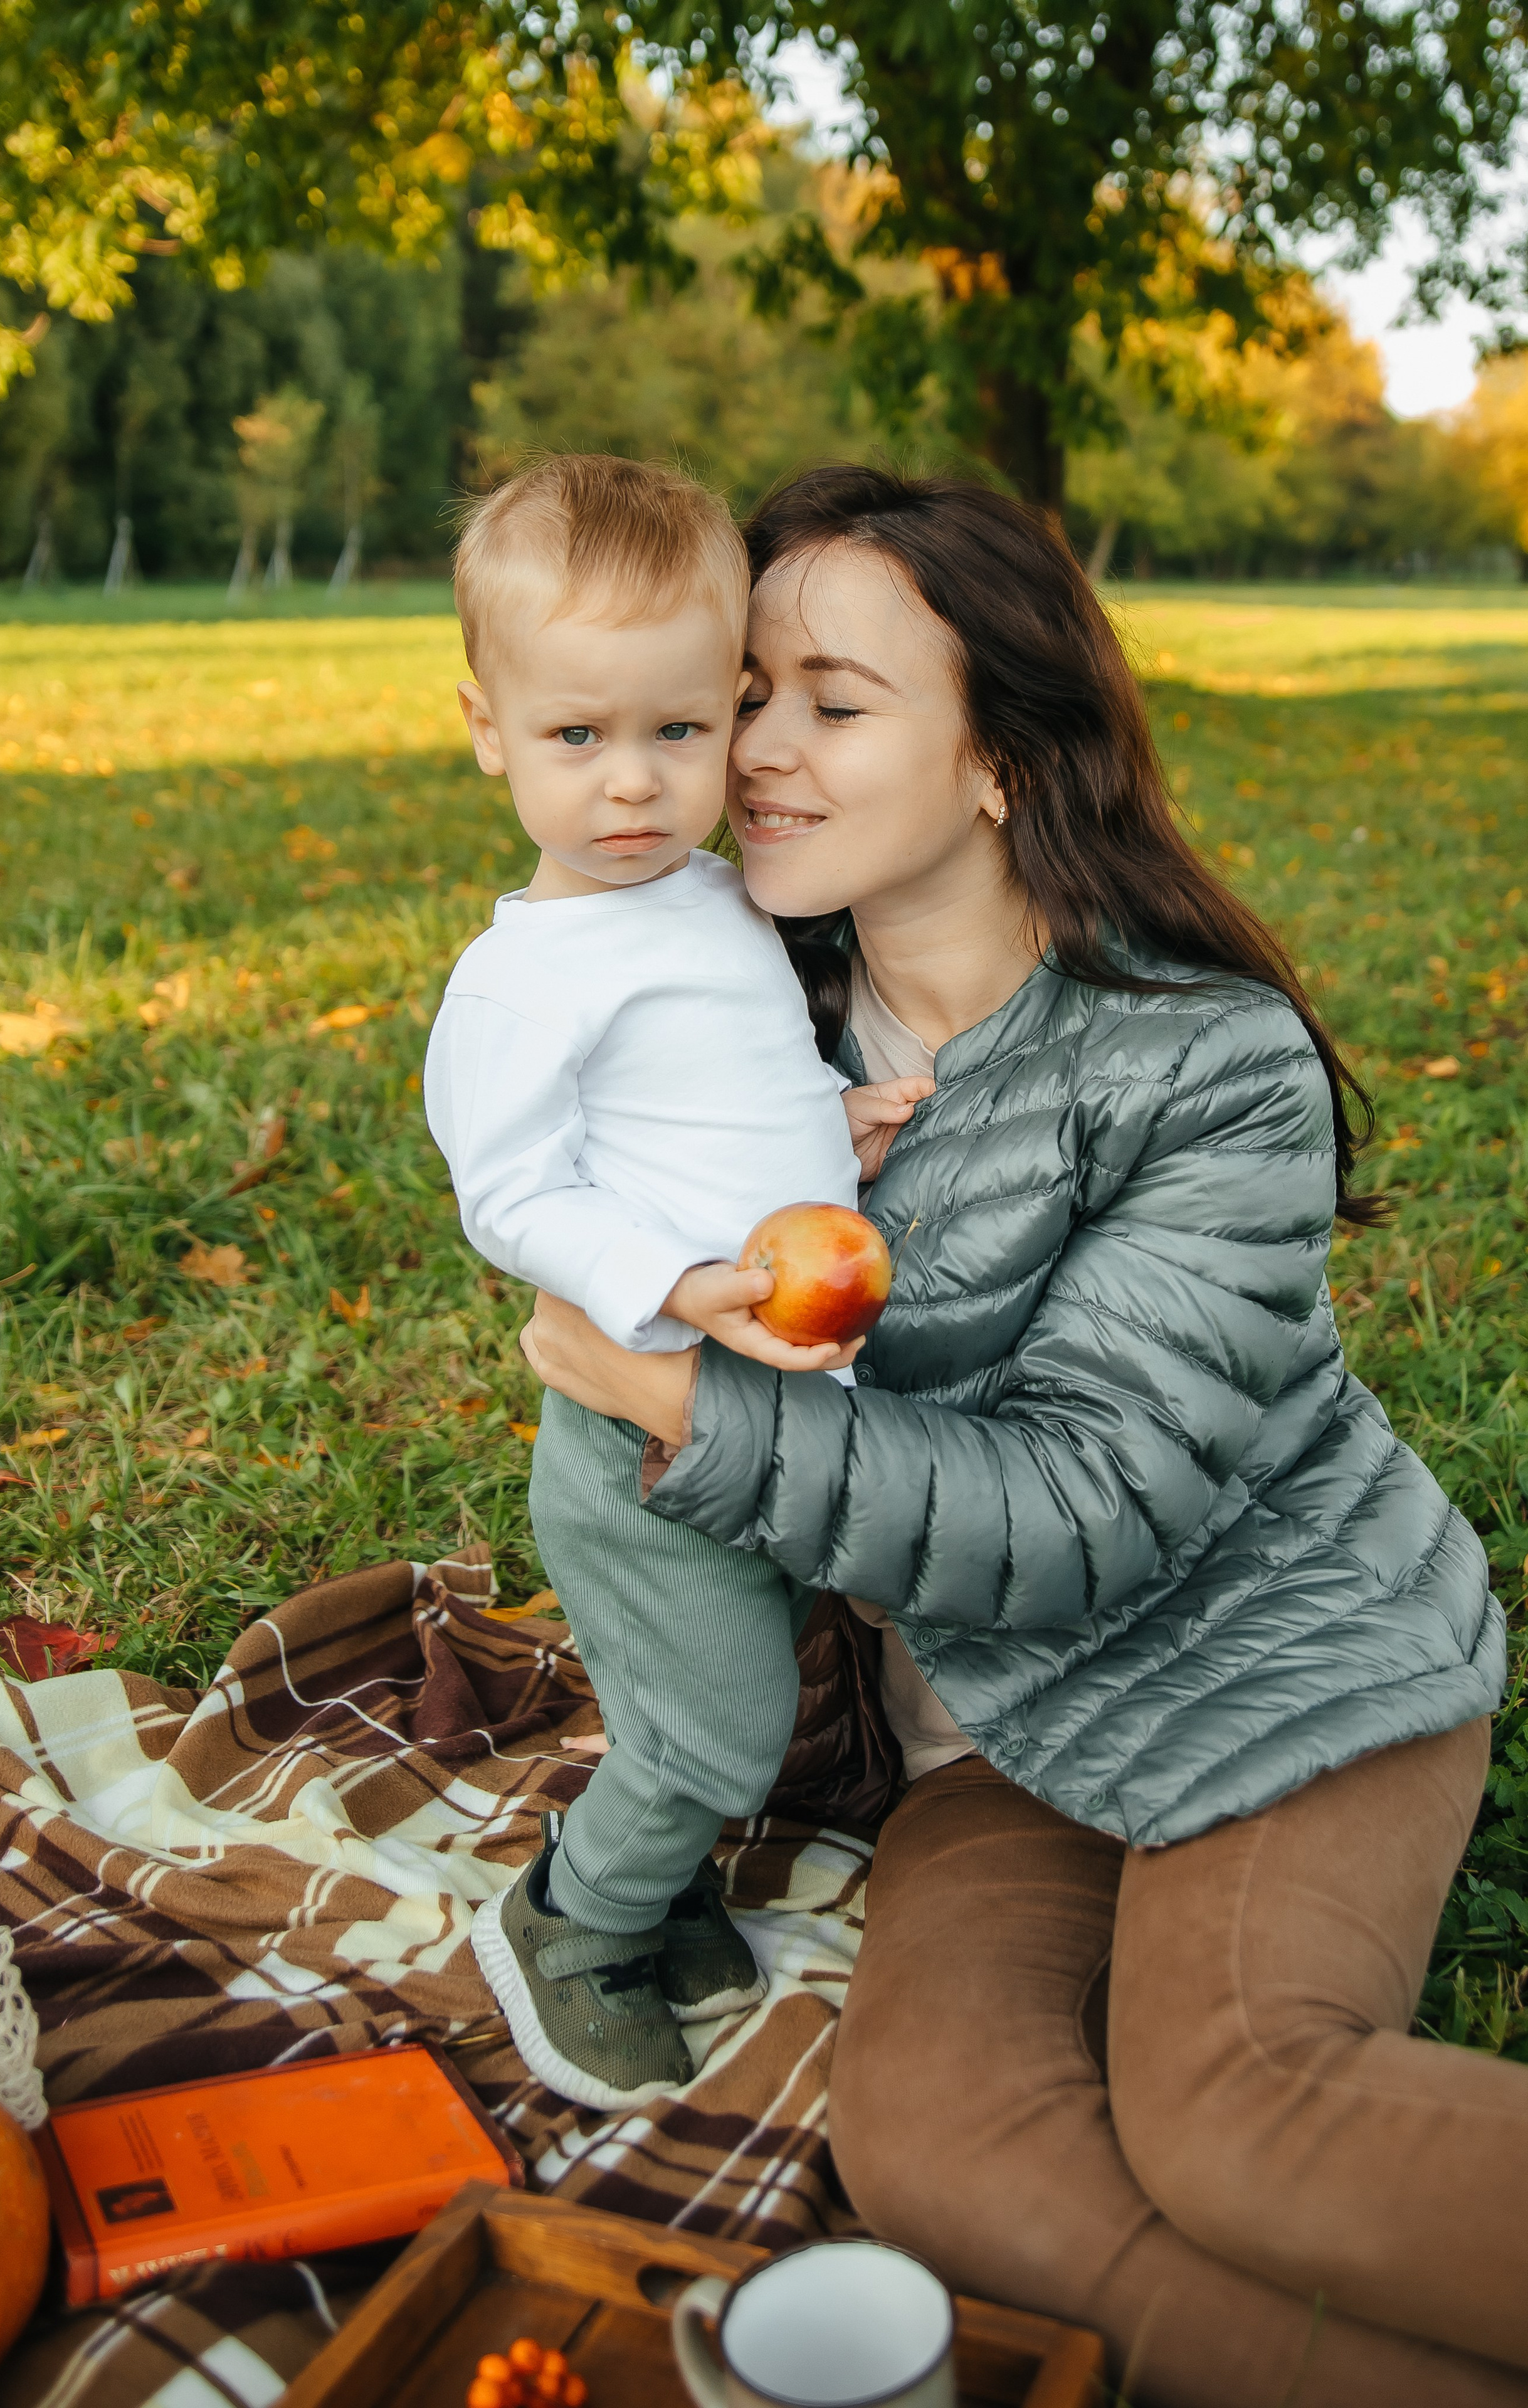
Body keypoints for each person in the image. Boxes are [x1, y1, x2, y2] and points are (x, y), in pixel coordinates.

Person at [518, 465, 1528, 2405]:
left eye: (836, 698)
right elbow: (556, 1207)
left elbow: (1079, 1514)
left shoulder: (1200, 1066)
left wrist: (686, 1397)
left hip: (1279, 1666)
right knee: (945, 2161)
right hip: (991, 1741)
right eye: (748, 695)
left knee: (1241, 2116)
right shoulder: (725, 1024)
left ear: (1001, 760)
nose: (764, 750)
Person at [424, 454, 927, 2113]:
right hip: (642, 1436)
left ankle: (677, 1889)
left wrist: (825, 1129)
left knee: (752, 1665)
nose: (631, 786)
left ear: (729, 712)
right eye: (577, 738)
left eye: (677, 734)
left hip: (761, 1402)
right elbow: (511, 1192)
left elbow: (722, 1095)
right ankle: (572, 1920)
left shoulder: (717, 901)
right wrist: (678, 1276)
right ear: (489, 729)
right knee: (707, 1726)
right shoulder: (521, 977)